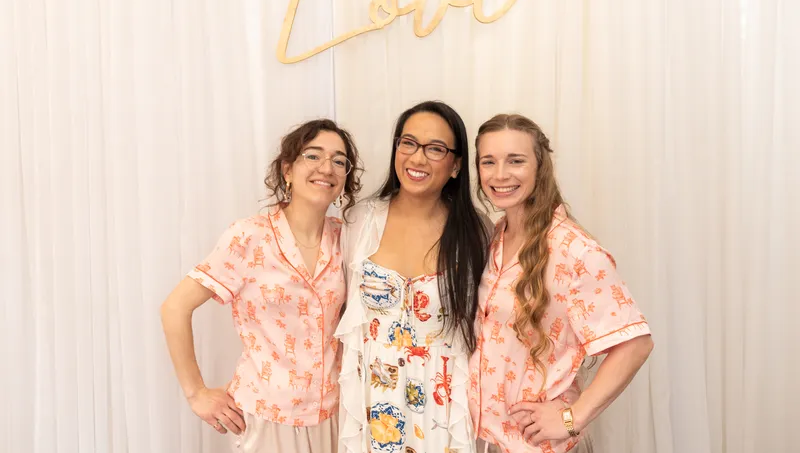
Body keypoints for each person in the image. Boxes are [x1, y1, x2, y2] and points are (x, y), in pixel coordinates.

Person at [160, 119, 362, 453]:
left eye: (339, 161)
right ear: (287, 170)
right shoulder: (248, 236)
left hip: (334, 416)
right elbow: (174, 308)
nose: (326, 167)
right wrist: (197, 393)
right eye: (313, 156)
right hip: (266, 416)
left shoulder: (347, 237)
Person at [469, 114, 654, 453]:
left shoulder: (574, 250)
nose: (500, 174)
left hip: (540, 446)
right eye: (488, 162)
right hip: (491, 440)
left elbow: (635, 343)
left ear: (540, 166)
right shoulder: (496, 237)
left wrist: (572, 418)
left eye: (515, 161)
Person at [335, 101, 490, 453]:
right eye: (408, 143)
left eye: (435, 149)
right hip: (374, 396)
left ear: (456, 165)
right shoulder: (359, 222)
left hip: (445, 400)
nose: (417, 159)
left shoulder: (476, 231)